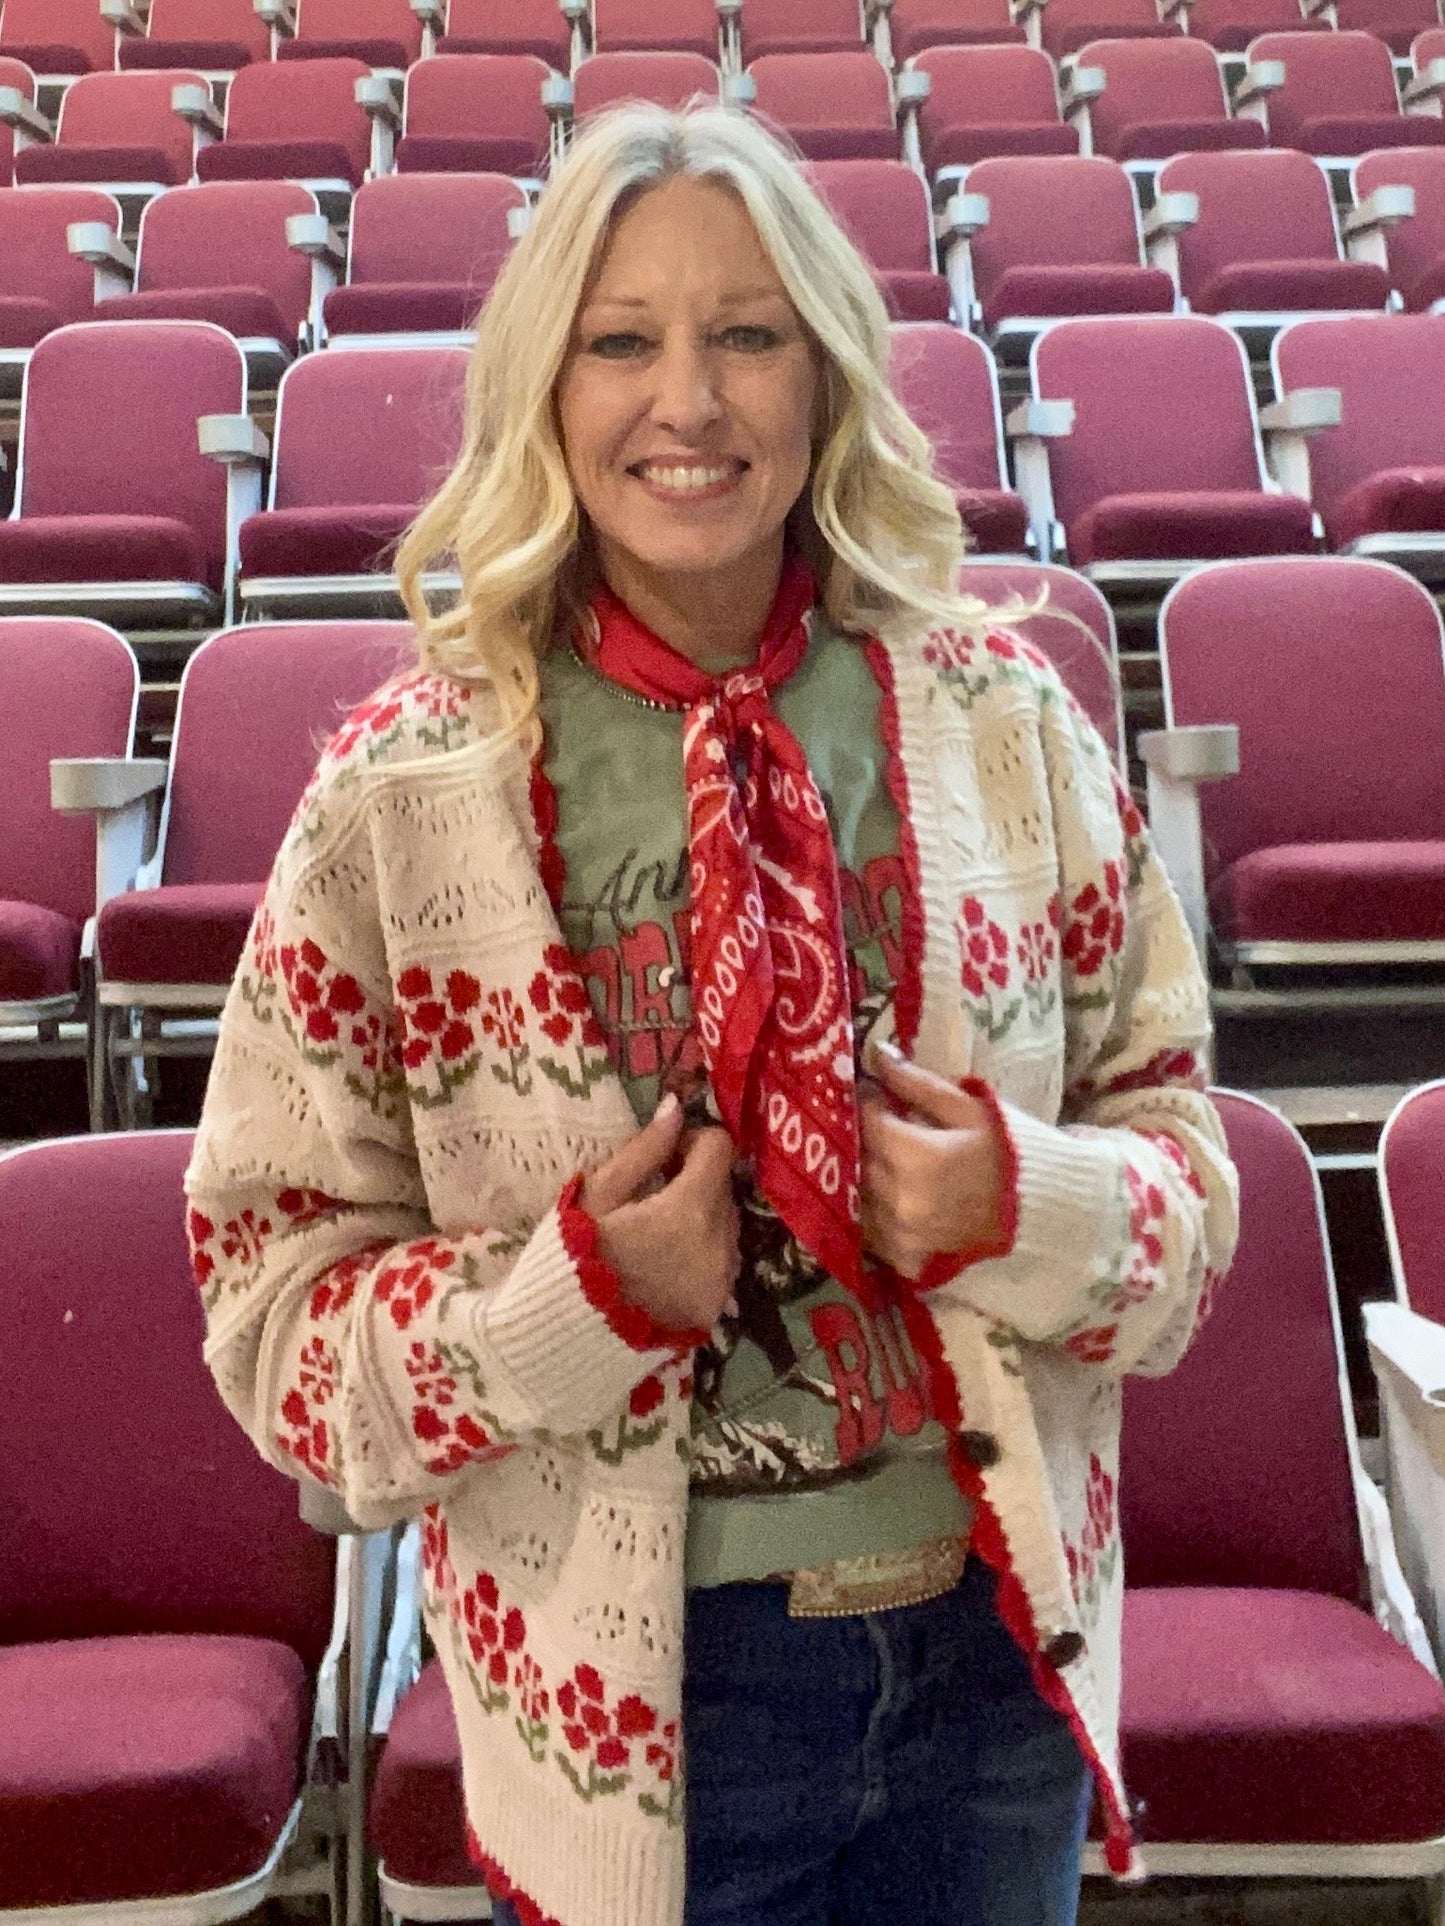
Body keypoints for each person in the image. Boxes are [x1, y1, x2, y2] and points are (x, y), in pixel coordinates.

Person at [185, 103, 1239, 1926]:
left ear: (825, 376)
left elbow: (1191, 1191)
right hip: (638, 1711)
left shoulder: (1008, 724)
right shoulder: (398, 799)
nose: (689, 399)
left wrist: (1025, 1204)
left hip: (986, 1659)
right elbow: (274, 1330)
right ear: (543, 387)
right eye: (622, 339)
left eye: (748, 333)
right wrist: (566, 1307)